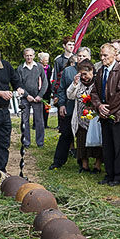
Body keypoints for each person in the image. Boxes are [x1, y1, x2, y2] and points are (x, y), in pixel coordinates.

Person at [91, 42, 120, 186]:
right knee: (107, 147)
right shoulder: (101, 71)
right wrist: (99, 106)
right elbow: (94, 91)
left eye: (105, 55)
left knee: (118, 147)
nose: (102, 58)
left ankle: (119, 176)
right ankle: (109, 174)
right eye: (101, 55)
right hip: (105, 115)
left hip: (119, 116)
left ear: (114, 55)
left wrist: (108, 110)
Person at [66, 59, 102, 174]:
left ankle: (97, 165)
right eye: (81, 74)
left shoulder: (98, 82)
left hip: (95, 117)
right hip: (81, 117)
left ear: (92, 72)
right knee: (81, 140)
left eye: (85, 74)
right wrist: (75, 83)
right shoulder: (79, 83)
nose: (84, 77)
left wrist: (93, 106)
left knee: (97, 140)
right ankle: (84, 164)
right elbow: (70, 95)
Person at [50, 38, 77, 169]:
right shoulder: (60, 62)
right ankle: (59, 160)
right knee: (65, 132)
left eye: (73, 44)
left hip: (83, 107)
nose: (71, 47)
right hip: (67, 102)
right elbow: (57, 81)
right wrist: (58, 99)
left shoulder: (89, 69)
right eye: (69, 44)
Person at [17, 47, 49, 147]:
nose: (29, 57)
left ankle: (40, 143)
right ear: (24, 56)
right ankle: (26, 142)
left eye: (31, 55)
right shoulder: (20, 68)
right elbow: (19, 84)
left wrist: (40, 95)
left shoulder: (39, 67)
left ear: (34, 56)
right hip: (25, 98)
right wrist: (27, 96)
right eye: (27, 55)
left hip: (37, 98)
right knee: (24, 120)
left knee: (39, 120)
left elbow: (45, 82)